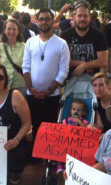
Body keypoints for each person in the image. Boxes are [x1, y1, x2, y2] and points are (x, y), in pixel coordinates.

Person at [22, 7, 70, 142]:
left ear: (52, 21)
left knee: (51, 128)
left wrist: (48, 91)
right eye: (41, 19)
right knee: (35, 125)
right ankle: (36, 157)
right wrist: (31, 88)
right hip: (32, 94)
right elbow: (25, 67)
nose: (44, 22)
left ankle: (49, 160)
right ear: (37, 21)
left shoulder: (61, 44)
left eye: (48, 19)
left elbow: (63, 71)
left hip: (52, 95)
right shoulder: (30, 42)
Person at [60, 0, 108, 77]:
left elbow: (104, 61)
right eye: (79, 16)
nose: (82, 19)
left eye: (85, 16)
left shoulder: (99, 35)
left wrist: (85, 66)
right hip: (71, 79)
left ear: (89, 18)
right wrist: (84, 64)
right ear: (74, 17)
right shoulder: (65, 35)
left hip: (93, 80)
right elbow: (62, 60)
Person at [57, 98, 89, 173]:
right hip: (66, 141)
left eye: (79, 110)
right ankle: (60, 165)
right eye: (74, 109)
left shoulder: (83, 121)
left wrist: (79, 122)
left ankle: (75, 167)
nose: (76, 111)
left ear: (83, 112)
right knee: (60, 150)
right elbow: (61, 129)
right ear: (71, 110)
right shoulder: (66, 120)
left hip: (78, 143)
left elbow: (87, 130)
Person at [0, 19, 26, 95]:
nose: (11, 32)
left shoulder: (25, 47)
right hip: (4, 86)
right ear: (4, 30)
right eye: (9, 29)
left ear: (18, 31)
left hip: (21, 86)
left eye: (14, 29)